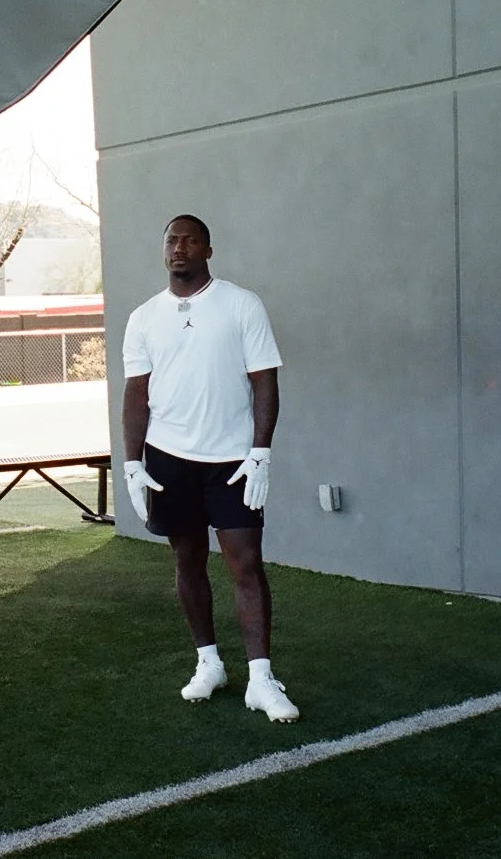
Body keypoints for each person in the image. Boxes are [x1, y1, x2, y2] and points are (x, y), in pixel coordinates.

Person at [121, 214, 299, 723]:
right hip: (168, 458)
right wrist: (132, 463)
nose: (179, 248)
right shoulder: (144, 317)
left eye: (189, 240)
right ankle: (209, 662)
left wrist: (261, 451)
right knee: (187, 560)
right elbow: (136, 394)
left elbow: (265, 382)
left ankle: (261, 679)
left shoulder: (242, 304)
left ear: (208, 250)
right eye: (171, 240)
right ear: (164, 250)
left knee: (245, 563)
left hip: (231, 459)